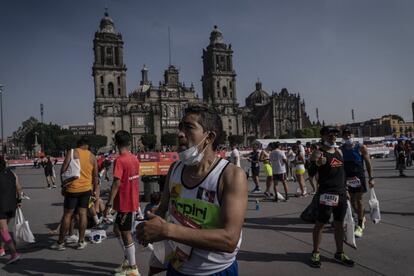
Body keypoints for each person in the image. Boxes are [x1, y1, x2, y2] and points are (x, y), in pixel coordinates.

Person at [137, 105, 247, 276]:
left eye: (189, 127)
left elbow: (229, 239)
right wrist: (149, 223)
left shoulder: (231, 176)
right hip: (176, 266)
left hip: (215, 271)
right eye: (180, 127)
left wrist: (166, 230)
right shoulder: (174, 169)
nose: (180, 133)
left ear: (209, 137)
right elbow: (163, 209)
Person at [309, 127, 354, 268]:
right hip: (327, 193)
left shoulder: (339, 151)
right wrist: (317, 164)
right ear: (323, 136)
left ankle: (339, 252)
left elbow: (342, 172)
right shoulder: (318, 152)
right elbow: (310, 173)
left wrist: (345, 189)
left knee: (339, 224)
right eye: (330, 134)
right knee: (321, 223)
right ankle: (315, 252)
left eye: (335, 134)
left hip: (341, 193)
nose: (333, 136)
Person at [104, 130, 141, 276]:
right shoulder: (134, 158)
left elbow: (116, 183)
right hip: (130, 201)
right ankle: (128, 260)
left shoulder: (120, 160)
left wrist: (108, 204)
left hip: (125, 203)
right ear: (129, 142)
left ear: (116, 143)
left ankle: (133, 268)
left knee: (126, 234)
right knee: (117, 231)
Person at [52, 137, 98, 251]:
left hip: (72, 189)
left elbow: (63, 170)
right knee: (83, 214)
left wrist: (63, 186)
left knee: (67, 215)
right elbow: (96, 176)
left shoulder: (72, 152)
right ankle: (81, 241)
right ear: (87, 145)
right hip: (86, 190)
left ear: (79, 145)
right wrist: (95, 190)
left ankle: (60, 243)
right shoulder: (92, 156)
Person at [341, 128, 374, 238]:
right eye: (345, 135)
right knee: (351, 201)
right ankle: (361, 216)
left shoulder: (360, 147)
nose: (348, 137)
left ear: (353, 135)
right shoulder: (341, 149)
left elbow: (368, 163)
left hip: (359, 177)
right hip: (348, 178)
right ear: (343, 137)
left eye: (349, 134)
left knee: (359, 200)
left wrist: (371, 178)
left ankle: (359, 225)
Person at [0, 156, 22, 264]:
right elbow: (19, 188)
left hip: (1, 206)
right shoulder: (12, 173)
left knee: (3, 230)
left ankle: (14, 253)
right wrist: (19, 201)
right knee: (4, 229)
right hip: (12, 205)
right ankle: (1, 249)